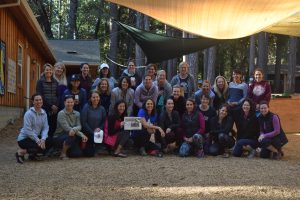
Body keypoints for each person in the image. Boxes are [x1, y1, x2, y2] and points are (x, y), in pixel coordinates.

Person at [16, 94, 49, 163]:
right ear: (33, 102)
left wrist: (43, 139)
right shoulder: (28, 114)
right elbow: (27, 130)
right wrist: (38, 140)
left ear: (42, 101)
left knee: (48, 143)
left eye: (40, 100)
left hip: (35, 138)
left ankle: (32, 155)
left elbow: (45, 127)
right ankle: (21, 152)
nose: (38, 102)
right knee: (40, 147)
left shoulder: (44, 113)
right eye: (36, 100)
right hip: (24, 139)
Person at [53, 95, 88, 160]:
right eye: (68, 102)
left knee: (77, 154)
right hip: (59, 137)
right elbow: (67, 128)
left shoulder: (77, 113)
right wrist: (82, 135)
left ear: (74, 102)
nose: (70, 104)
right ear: (64, 103)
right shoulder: (61, 113)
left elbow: (79, 126)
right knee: (71, 135)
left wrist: (74, 129)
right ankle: (63, 154)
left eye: (71, 102)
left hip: (72, 135)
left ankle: (64, 150)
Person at [36, 63, 59, 137]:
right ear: (44, 71)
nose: (48, 71)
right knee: (45, 126)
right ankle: (44, 143)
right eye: (47, 70)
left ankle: (51, 144)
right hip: (45, 108)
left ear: (52, 71)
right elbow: (40, 96)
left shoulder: (55, 82)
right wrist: (50, 106)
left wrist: (56, 105)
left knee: (53, 126)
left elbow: (57, 95)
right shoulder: (40, 82)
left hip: (54, 108)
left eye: (50, 70)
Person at [81, 91, 106, 157]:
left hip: (98, 132)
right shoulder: (86, 107)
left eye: (97, 97)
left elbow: (104, 121)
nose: (95, 99)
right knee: (89, 154)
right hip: (88, 133)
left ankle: (98, 148)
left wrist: (100, 128)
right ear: (90, 98)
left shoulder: (102, 108)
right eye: (93, 97)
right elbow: (84, 122)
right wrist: (92, 132)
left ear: (99, 98)